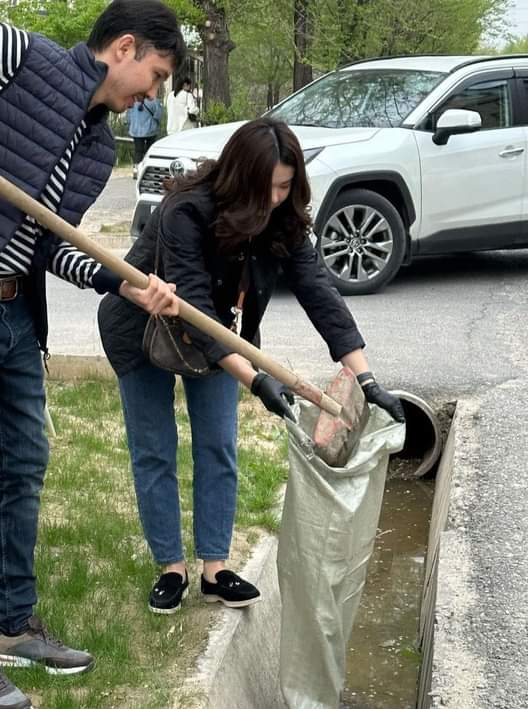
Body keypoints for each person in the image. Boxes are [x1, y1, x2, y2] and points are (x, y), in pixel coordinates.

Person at [0, 2, 184, 707]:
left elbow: (53, 246)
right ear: (123, 47)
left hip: (16, 311)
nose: (153, 93)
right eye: (155, 74)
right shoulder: (26, 57)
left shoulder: (93, 147)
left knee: (24, 465)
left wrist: (126, 284)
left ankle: (16, 625)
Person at [97, 118, 404, 615]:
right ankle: (170, 568)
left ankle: (214, 570)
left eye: (285, 187)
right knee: (154, 449)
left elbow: (319, 293)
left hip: (225, 334)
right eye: (267, 188)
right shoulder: (185, 212)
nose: (276, 199)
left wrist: (366, 380)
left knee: (218, 445)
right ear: (239, 177)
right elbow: (192, 306)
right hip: (144, 329)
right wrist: (256, 379)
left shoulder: (283, 220)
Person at [126, 97, 163, 179]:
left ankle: (136, 170)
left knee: (138, 151)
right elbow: (158, 114)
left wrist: (129, 125)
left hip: (136, 131)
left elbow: (128, 116)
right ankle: (148, 170)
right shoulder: (153, 100)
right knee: (149, 151)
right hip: (150, 130)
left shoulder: (133, 99)